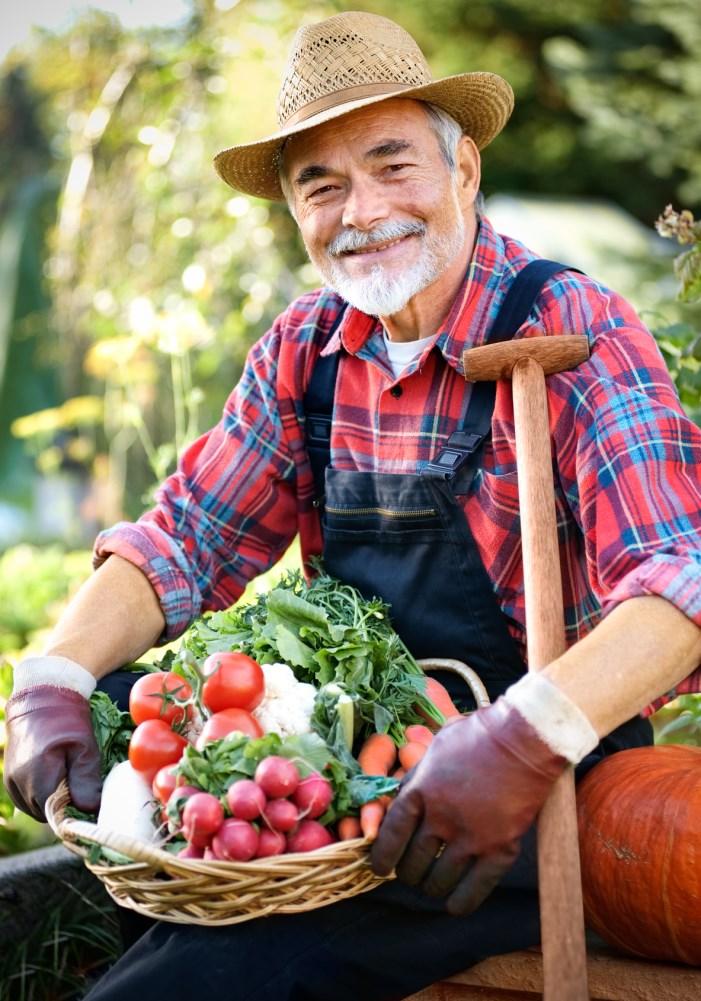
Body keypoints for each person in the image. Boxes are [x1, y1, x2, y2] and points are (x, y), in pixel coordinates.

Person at [5, 11, 701, 1000]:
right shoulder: (308, 347)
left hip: (525, 796)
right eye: (320, 184)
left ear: (462, 172)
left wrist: (522, 736)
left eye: (391, 163)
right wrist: (51, 675)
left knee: (235, 968)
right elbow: (188, 536)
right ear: (294, 210)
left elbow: (680, 577)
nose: (361, 209)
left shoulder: (567, 327)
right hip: (355, 762)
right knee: (120, 714)